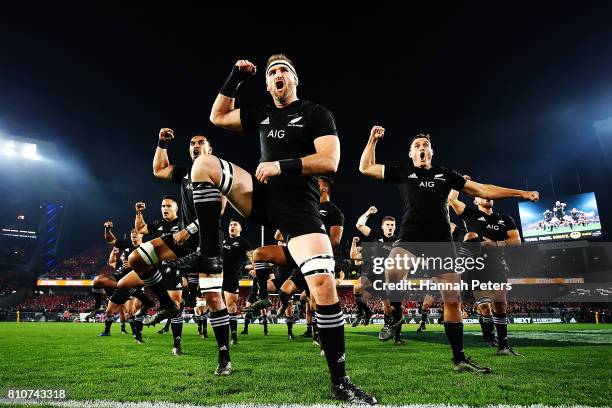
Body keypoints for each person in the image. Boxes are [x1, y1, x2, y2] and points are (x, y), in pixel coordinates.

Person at [164, 55, 376, 403]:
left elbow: (330, 161)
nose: (278, 75)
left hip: (299, 210)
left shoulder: (316, 113)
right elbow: (217, 116)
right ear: (266, 84)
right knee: (202, 164)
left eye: (284, 71)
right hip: (261, 198)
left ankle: (340, 381)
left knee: (323, 284)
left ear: (295, 80)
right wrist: (234, 77)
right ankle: (208, 252)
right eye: (272, 72)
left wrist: (281, 165)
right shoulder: (262, 113)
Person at [359, 125, 538, 373]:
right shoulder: (402, 171)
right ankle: (396, 313)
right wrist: (372, 140)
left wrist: (520, 193)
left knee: (451, 301)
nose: (421, 149)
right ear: (411, 154)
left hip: (441, 243)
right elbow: (366, 168)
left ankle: (460, 360)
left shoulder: (446, 175)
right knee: (392, 270)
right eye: (416, 146)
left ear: (432, 152)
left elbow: (483, 189)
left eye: (425, 146)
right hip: (410, 237)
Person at [122, 132, 232, 375]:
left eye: (201, 143)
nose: (195, 146)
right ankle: (167, 305)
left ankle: (224, 357)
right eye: (192, 143)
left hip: (208, 239)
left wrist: (190, 229)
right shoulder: (184, 174)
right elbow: (159, 169)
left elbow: (219, 210)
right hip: (183, 238)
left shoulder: (218, 172)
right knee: (136, 258)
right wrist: (162, 143)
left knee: (214, 300)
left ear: (210, 150)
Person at [447, 189, 522, 356]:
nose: (487, 196)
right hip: (476, 264)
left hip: (496, 263)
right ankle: (488, 336)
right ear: (475, 201)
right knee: (484, 307)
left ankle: (503, 346)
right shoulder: (470, 214)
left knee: (500, 304)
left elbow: (516, 241)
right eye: (482, 195)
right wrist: (459, 184)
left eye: (490, 195)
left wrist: (494, 244)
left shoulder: (505, 219)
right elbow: (452, 199)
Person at [222, 218, 252, 345]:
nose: (232, 226)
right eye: (230, 224)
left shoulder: (243, 242)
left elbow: (251, 257)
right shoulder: (223, 241)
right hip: (218, 275)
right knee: (214, 304)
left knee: (230, 305)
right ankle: (211, 330)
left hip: (232, 276)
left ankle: (233, 334)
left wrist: (254, 267)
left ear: (240, 228)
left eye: (235, 224)